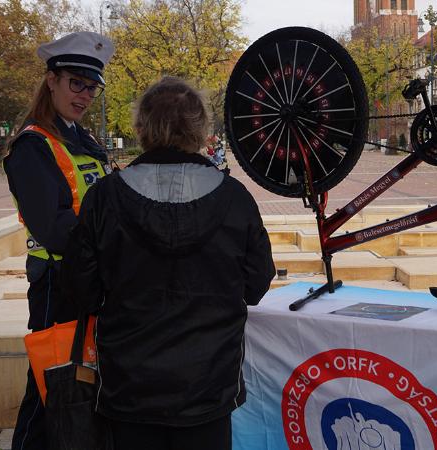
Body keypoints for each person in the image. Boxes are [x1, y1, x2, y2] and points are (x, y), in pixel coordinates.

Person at [61, 76, 276, 450]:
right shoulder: (234, 198)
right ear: (200, 129)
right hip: (208, 384)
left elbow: (81, 288)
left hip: (130, 384)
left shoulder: (104, 198)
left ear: (141, 128)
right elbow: (256, 284)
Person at [2, 31, 114, 450]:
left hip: (88, 280)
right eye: (75, 83)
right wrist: (112, 239)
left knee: (76, 392)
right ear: (51, 80)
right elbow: (53, 226)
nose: (84, 95)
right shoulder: (32, 147)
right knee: (49, 391)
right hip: (57, 282)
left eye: (91, 87)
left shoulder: (82, 139)